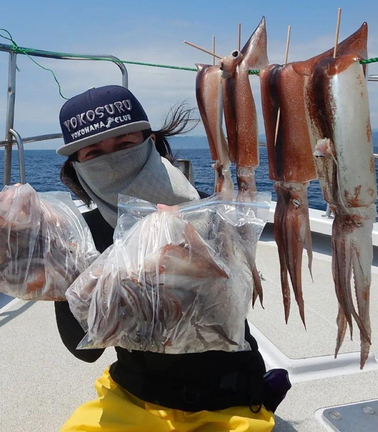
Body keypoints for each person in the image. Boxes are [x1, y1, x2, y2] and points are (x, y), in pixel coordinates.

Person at [54, 85, 288, 431]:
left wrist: (186, 240)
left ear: (151, 144)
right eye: (92, 154)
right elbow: (85, 350)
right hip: (135, 392)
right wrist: (60, 276)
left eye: (125, 145)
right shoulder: (80, 237)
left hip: (227, 395)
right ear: (77, 166)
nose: (113, 160)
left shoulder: (211, 211)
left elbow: (228, 316)